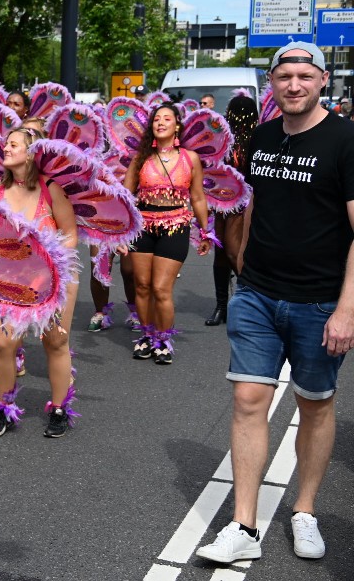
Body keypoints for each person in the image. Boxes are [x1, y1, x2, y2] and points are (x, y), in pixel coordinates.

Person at [197, 42, 354, 565]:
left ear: (322, 79)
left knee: (314, 404)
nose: (293, 85)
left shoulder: (345, 140)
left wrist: (347, 309)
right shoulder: (262, 137)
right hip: (258, 296)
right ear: (272, 82)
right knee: (247, 401)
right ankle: (244, 524)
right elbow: (251, 201)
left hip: (319, 303)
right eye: (284, 76)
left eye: (304, 76)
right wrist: (240, 261)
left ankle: (304, 510)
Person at [0, 123, 79, 439]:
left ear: (31, 153)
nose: (6, 148)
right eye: (6, 144)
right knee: (3, 344)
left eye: (14, 144)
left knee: (55, 341)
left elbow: (70, 235)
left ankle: (59, 407)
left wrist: (45, 261)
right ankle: (5, 406)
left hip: (52, 279)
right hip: (9, 280)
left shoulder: (50, 189)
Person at [124, 102, 212, 364]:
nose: (160, 122)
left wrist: (205, 231)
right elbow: (125, 196)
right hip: (143, 225)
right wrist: (118, 232)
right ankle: (146, 335)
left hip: (176, 225)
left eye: (166, 119)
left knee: (161, 289)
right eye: (156, 120)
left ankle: (163, 338)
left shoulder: (190, 158)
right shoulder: (140, 158)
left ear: (177, 125)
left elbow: (197, 197)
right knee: (142, 286)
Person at [205, 93, 258, 326]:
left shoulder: (258, 139)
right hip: (220, 202)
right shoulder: (222, 140)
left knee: (233, 250)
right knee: (220, 251)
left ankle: (252, 301)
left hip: (244, 203)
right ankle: (221, 306)